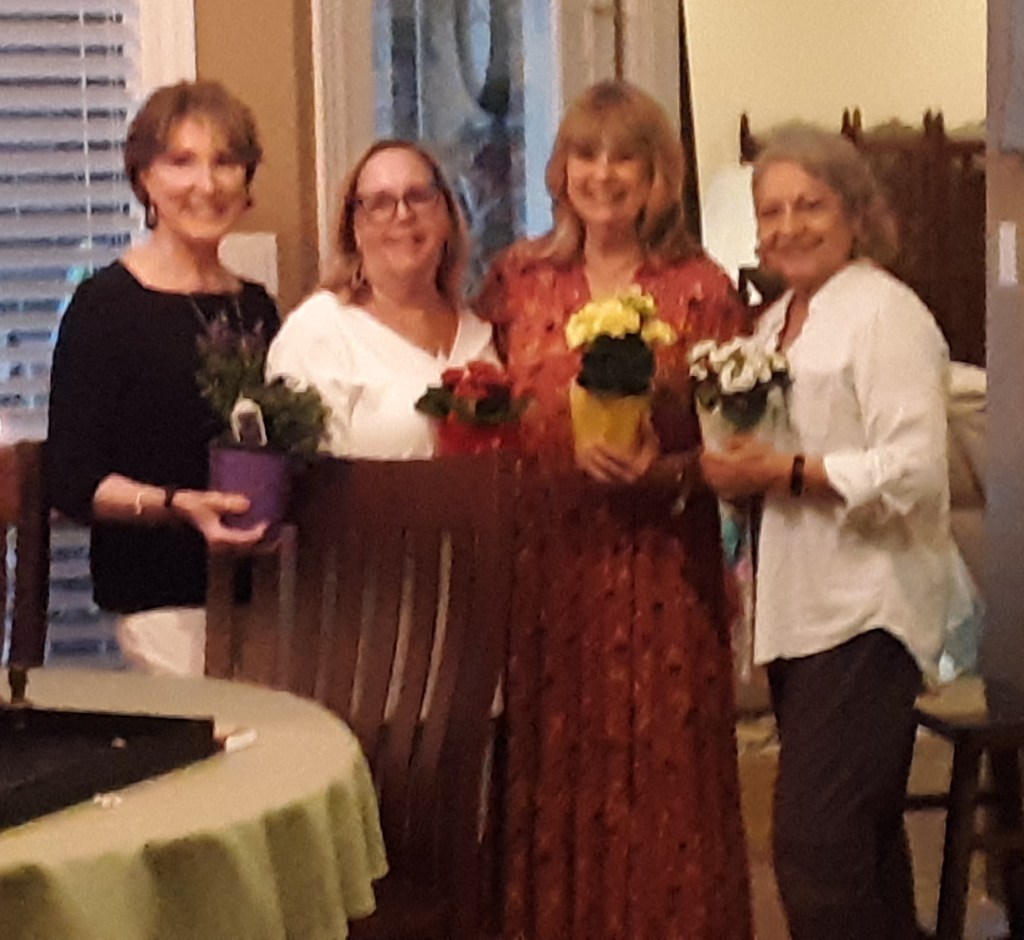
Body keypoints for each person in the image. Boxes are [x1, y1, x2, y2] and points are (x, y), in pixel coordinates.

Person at [477, 80, 753, 939]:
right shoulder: (517, 280)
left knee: (666, 779)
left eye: (625, 156)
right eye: (586, 154)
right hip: (546, 572)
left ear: (658, 173)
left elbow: (741, 449)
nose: (603, 173)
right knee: (556, 769)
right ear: (561, 169)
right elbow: (475, 406)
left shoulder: (701, 290)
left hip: (662, 570)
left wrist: (664, 471)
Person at [700, 124, 951, 939]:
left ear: (856, 212)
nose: (789, 227)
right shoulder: (774, 323)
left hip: (867, 612)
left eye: (809, 205)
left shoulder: (884, 313)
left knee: (817, 852)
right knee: (863, 850)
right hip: (800, 614)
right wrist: (734, 475)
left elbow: (914, 470)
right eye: (771, 212)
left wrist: (787, 472)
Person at [47, 80, 279, 677]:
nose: (207, 183)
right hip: (160, 605)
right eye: (182, 161)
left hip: (270, 599)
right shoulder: (105, 305)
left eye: (225, 161)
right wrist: (177, 507)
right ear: (144, 177)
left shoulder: (257, 309)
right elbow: (72, 481)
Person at [265, 139, 495, 459]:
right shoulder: (320, 331)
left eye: (418, 196)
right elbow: (302, 476)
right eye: (380, 203)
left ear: (447, 216)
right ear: (355, 229)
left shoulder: (480, 333)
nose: (403, 215)